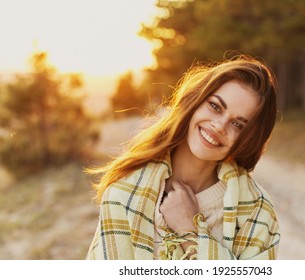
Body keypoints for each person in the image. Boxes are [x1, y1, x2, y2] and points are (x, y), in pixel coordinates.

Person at [86, 55, 280, 260]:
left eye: (238, 124)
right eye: (215, 107)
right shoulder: (124, 191)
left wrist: (190, 231)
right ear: (195, 101)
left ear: (248, 140)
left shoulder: (258, 212)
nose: (219, 126)